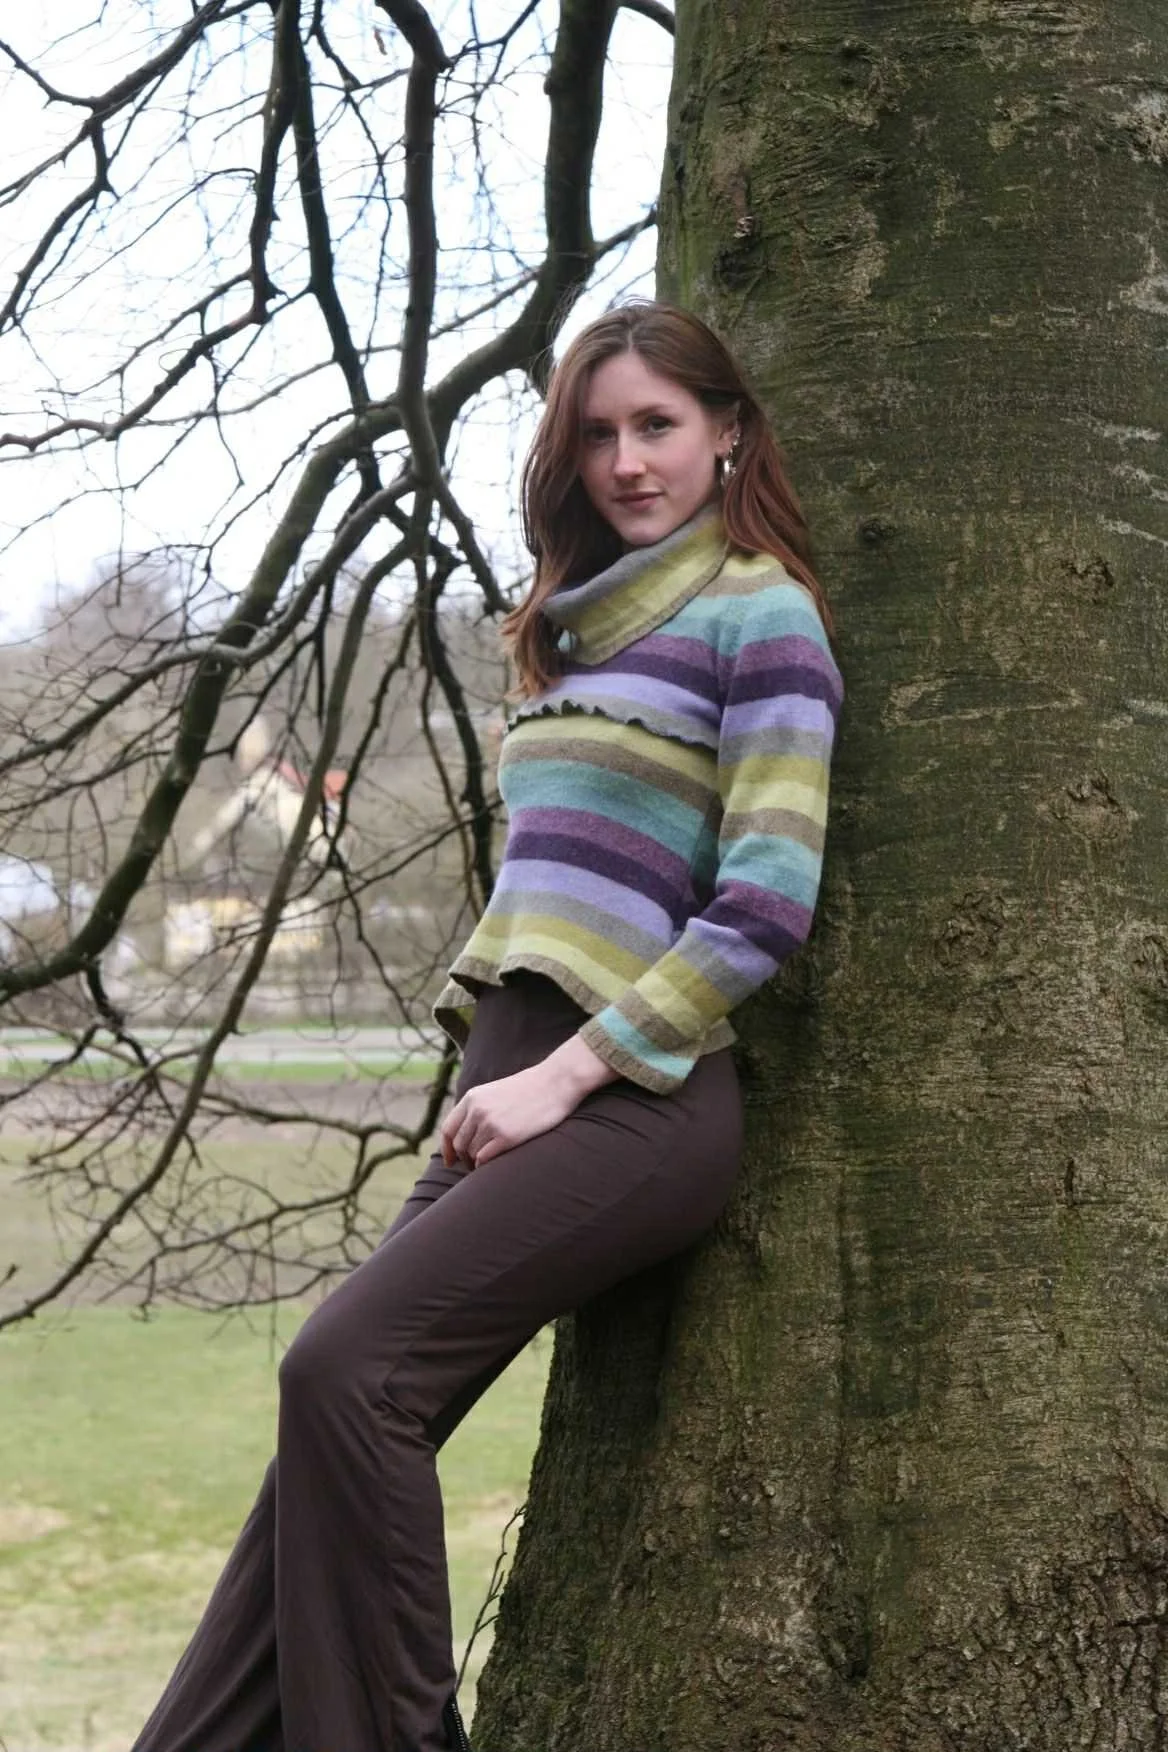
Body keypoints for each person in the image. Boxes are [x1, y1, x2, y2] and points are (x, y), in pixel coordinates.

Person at [130, 300, 843, 1752]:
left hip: (636, 1096)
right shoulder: (573, 635)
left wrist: (569, 1079)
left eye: (659, 424)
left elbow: (769, 899)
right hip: (507, 1078)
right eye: (599, 433)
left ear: (727, 435)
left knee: (342, 1374)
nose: (630, 460)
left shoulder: (756, 610)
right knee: (311, 1470)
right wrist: (510, 1082)